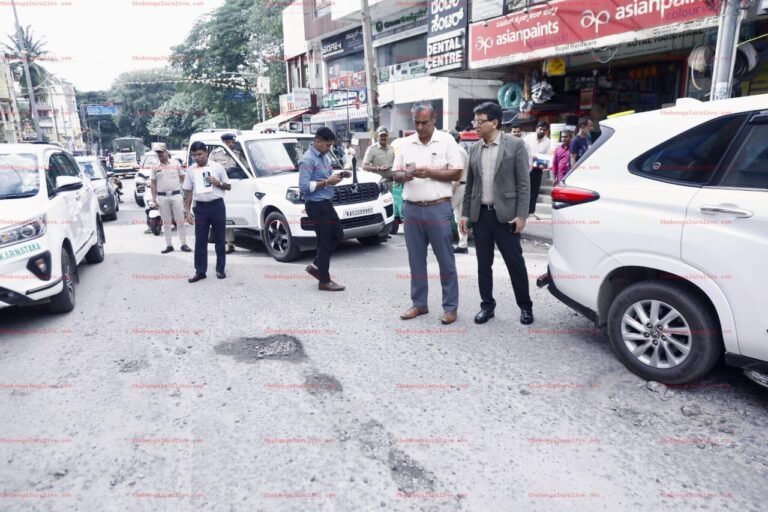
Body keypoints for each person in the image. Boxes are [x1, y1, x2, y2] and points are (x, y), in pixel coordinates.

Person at [460, 101, 534, 326]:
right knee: (484, 265)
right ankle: (487, 306)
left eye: (480, 122)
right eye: (475, 121)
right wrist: (464, 214)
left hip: (506, 218)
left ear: (494, 123)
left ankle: (525, 307)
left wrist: (522, 216)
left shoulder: (515, 145)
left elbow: (524, 184)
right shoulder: (473, 148)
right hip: (481, 216)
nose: (475, 125)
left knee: (515, 263)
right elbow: (470, 186)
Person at [394, 101, 464, 325]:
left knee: (445, 260)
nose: (421, 127)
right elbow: (394, 173)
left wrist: (430, 173)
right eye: (417, 122)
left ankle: (450, 307)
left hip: (438, 208)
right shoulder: (406, 143)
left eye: (425, 122)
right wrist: (403, 176)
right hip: (412, 208)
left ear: (434, 120)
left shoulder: (446, 141)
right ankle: (419, 304)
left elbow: (456, 172)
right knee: (416, 261)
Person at [299, 128, 347, 292]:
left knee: (338, 235)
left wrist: (339, 176)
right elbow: (304, 187)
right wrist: (327, 182)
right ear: (317, 141)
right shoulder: (307, 160)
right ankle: (324, 281)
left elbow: (327, 176)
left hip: (326, 203)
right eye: (327, 145)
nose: (329, 148)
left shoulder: (324, 157)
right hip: (316, 205)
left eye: (331, 145)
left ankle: (316, 266)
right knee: (325, 241)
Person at [183, 141, 231, 282]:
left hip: (217, 206)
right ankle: (200, 271)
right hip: (201, 208)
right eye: (194, 155)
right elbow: (188, 191)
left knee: (220, 239)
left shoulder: (217, 167)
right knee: (200, 240)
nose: (197, 158)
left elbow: (228, 186)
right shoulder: (191, 170)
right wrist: (187, 211)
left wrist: (218, 183)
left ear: (206, 153)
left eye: (200, 154)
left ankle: (220, 269)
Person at [213, 133, 250, 254]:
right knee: (225, 217)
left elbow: (246, 168)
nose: (231, 144)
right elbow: (210, 170)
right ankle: (229, 244)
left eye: (233, 142)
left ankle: (232, 242)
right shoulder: (215, 154)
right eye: (229, 142)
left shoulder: (238, 154)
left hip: (236, 187)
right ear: (223, 142)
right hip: (220, 187)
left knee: (235, 214)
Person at [150, 143, 190, 254]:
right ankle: (169, 245)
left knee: (180, 220)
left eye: (161, 152)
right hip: (162, 197)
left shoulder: (175, 163)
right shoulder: (155, 166)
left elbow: (183, 178)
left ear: (166, 152)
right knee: (166, 222)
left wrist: (186, 193)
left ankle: (183, 244)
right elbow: (153, 183)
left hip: (176, 195)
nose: (160, 155)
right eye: (158, 153)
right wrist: (154, 199)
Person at [523, 121, 551, 218]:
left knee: (534, 190)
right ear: (536, 129)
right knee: (524, 189)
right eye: (540, 129)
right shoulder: (528, 138)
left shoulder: (548, 141)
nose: (542, 131)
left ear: (546, 131)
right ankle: (521, 211)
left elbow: (547, 155)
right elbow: (521, 151)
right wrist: (531, 156)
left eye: (544, 130)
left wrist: (544, 163)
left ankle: (531, 212)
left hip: (537, 168)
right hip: (525, 167)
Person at [450, 130, 470, 254]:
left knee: (445, 215)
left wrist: (451, 189)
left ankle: (448, 243)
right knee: (460, 218)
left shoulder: (457, 151)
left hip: (458, 187)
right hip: (462, 186)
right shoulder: (460, 150)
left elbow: (457, 173)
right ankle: (463, 244)